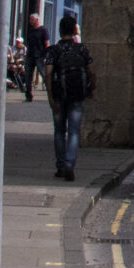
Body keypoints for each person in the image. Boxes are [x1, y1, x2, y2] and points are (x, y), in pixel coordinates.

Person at [47, 15, 95, 181]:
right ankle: (70, 164)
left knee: (59, 131)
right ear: (74, 30)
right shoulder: (81, 49)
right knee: (74, 132)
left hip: (58, 94)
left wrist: (50, 96)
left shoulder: (54, 50)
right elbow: (91, 72)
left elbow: (48, 73)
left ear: (60, 30)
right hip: (77, 95)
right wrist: (91, 89)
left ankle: (61, 166)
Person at [22, 14, 49, 102]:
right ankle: (28, 96)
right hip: (30, 55)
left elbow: (47, 43)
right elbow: (29, 43)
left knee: (44, 74)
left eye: (32, 19)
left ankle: (52, 93)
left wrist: (46, 56)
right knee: (28, 76)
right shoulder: (31, 31)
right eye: (30, 19)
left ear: (37, 20)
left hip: (40, 56)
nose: (30, 21)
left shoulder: (43, 30)